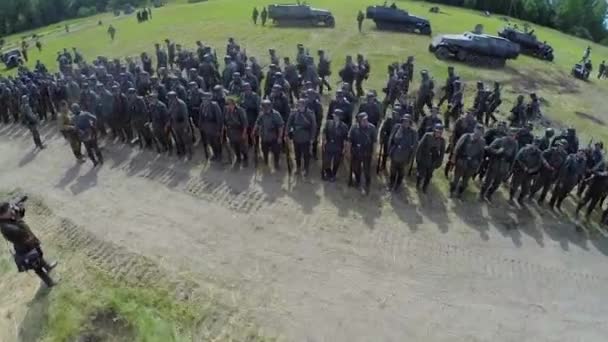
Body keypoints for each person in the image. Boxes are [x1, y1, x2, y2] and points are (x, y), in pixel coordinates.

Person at [0, 198, 57, 287]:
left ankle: (47, 267)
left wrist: (21, 210)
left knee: (39, 254)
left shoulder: (7, 217)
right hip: (25, 247)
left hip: (30, 241)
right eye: (9, 210)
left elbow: (20, 217)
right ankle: (49, 282)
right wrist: (17, 218)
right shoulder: (5, 227)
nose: (11, 210)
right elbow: (21, 232)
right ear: (2, 215)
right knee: (36, 265)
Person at [480, 128, 519, 202]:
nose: (512, 137)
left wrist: (509, 170)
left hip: (504, 167)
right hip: (494, 164)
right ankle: (482, 194)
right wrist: (497, 151)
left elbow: (513, 158)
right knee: (487, 181)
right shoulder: (500, 140)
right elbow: (488, 149)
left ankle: (489, 194)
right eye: (510, 134)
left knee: (497, 184)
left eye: (513, 135)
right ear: (508, 133)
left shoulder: (515, 144)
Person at [450, 124, 485, 198]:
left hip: (472, 164)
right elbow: (457, 148)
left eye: (480, 131)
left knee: (465, 181)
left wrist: (478, 166)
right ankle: (451, 192)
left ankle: (460, 193)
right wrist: (453, 158)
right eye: (477, 130)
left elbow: (481, 155)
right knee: (456, 179)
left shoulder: (482, 141)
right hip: (462, 161)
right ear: (474, 129)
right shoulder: (466, 136)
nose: (478, 132)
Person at [347, 112, 377, 194]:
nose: (365, 121)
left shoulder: (372, 128)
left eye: (366, 119)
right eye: (363, 120)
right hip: (356, 152)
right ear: (359, 121)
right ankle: (357, 181)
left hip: (367, 152)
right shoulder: (354, 127)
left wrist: (374, 154)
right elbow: (349, 141)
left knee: (367, 170)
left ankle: (367, 184)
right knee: (356, 168)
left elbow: (374, 142)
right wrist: (349, 152)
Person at [530, 139, 567, 204]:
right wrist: (546, 164)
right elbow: (542, 155)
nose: (561, 147)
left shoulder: (564, 154)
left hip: (553, 174)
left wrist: (558, 177)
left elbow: (562, 167)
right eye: (560, 145)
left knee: (546, 188)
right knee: (538, 185)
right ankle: (531, 194)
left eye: (563, 146)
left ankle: (541, 200)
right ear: (558, 145)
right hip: (545, 171)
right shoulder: (551, 150)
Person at [286, 98, 317, 176]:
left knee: (306, 155)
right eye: (299, 105)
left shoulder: (310, 113)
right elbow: (289, 123)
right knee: (297, 154)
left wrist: (312, 138)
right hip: (296, 137)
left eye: (301, 105)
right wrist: (287, 132)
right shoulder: (294, 113)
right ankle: (298, 168)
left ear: (304, 105)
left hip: (306, 137)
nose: (300, 106)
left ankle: (306, 169)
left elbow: (313, 126)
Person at [387, 114, 418, 192]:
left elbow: (414, 147)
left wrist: (411, 159)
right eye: (404, 121)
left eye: (407, 121)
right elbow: (391, 139)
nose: (405, 123)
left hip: (405, 156)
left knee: (401, 172)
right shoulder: (397, 127)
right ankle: (391, 184)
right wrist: (389, 151)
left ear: (410, 123)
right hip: (395, 153)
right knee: (393, 171)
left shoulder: (413, 133)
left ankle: (398, 185)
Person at [509, 139, 542, 205]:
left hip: (529, 174)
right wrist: (523, 166)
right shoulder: (524, 149)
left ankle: (520, 199)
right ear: (532, 143)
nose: (535, 146)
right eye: (535, 144)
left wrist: (533, 170)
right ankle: (511, 198)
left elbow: (539, 164)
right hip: (520, 171)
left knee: (526, 189)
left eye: (537, 145)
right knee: (514, 186)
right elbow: (518, 158)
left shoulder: (539, 153)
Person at [254, 99, 284, 170]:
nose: (264, 109)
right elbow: (257, 123)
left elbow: (280, 126)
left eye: (265, 107)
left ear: (269, 107)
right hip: (264, 136)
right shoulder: (261, 114)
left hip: (274, 137)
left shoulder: (276, 114)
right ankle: (266, 162)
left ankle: (276, 163)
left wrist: (280, 137)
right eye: (263, 107)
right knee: (265, 151)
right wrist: (254, 131)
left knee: (276, 152)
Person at [415, 123, 446, 193]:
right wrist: (418, 158)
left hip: (433, 161)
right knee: (420, 174)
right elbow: (420, 146)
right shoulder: (427, 135)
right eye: (437, 131)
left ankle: (425, 187)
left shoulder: (442, 141)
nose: (438, 133)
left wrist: (439, 163)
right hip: (424, 158)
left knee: (429, 176)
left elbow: (442, 153)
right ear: (434, 130)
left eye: (440, 132)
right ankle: (418, 184)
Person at [321, 109, 349, 181]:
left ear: (340, 117)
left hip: (338, 146)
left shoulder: (344, 126)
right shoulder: (328, 123)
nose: (335, 117)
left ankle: (333, 175)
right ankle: (328, 173)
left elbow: (345, 138)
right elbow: (324, 133)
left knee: (336, 162)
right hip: (329, 144)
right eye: (334, 116)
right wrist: (323, 142)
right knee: (326, 161)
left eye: (336, 116)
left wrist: (344, 148)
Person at [199, 92, 224, 161]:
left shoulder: (214, 105)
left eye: (206, 99)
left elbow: (219, 118)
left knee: (216, 142)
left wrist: (219, 130)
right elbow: (201, 117)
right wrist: (200, 126)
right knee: (210, 142)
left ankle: (219, 155)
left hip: (214, 127)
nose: (204, 101)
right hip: (207, 128)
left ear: (209, 99)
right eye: (203, 99)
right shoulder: (202, 105)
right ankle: (214, 154)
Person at [224, 97, 249, 166]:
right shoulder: (226, 110)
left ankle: (245, 159)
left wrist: (244, 133)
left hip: (239, 131)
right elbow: (225, 121)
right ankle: (238, 158)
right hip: (231, 132)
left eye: (230, 104)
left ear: (234, 104)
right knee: (234, 146)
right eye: (228, 104)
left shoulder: (240, 110)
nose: (229, 105)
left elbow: (245, 123)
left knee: (243, 147)